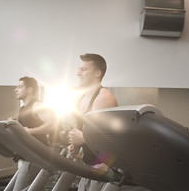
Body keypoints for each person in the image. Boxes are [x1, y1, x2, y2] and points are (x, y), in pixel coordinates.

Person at [68, 53, 118, 191]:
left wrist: (82, 138)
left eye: (83, 69)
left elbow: (108, 137)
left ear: (97, 73)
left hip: (104, 165)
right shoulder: (80, 98)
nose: (78, 73)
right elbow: (80, 129)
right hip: (89, 163)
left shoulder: (104, 98)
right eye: (79, 69)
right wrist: (75, 144)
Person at [7, 76, 56, 191]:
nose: (16, 89)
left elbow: (53, 123)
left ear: (30, 89)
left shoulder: (37, 106)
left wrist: (31, 131)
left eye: (19, 87)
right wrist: (15, 123)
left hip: (34, 155)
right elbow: (25, 128)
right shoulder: (23, 108)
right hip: (27, 154)